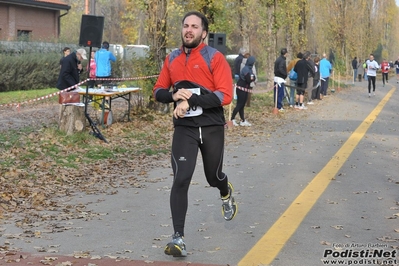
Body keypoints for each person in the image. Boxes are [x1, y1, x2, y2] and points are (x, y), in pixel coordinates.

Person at [152, 11, 237, 258]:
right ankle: (178, 237)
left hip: (211, 126)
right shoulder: (172, 58)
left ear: (204, 33)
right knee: (181, 177)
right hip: (184, 129)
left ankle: (225, 190)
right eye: (186, 25)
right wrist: (173, 96)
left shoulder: (215, 58)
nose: (189, 30)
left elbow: (225, 95)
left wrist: (192, 101)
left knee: (213, 176)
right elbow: (158, 90)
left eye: (194, 26)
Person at [231, 55, 256, 126]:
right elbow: (249, 79)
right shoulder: (246, 69)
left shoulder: (249, 69)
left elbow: (253, 77)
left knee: (242, 105)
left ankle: (242, 120)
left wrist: (252, 78)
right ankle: (232, 119)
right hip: (241, 88)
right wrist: (252, 78)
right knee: (239, 104)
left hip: (245, 88)